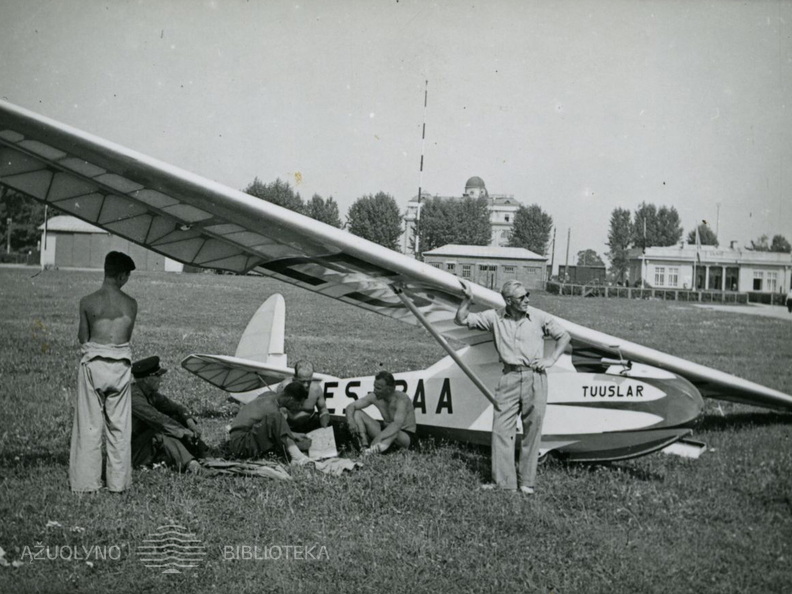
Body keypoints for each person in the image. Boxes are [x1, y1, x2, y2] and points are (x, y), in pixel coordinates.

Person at [455, 280, 571, 495]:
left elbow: (564, 336)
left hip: (535, 377)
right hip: (508, 376)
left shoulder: (538, 317)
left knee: (532, 429)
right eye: (521, 297)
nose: (527, 300)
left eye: (527, 295)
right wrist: (466, 301)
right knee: (501, 430)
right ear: (508, 301)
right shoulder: (494, 317)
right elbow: (461, 319)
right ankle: (504, 484)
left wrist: (551, 359)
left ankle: (527, 483)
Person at [71, 251, 137, 493]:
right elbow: (126, 337)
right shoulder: (131, 304)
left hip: (94, 364)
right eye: (127, 276)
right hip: (119, 365)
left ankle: (86, 484)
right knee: (119, 427)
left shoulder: (87, 302)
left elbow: (83, 337)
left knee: (89, 425)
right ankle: (118, 484)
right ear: (121, 276)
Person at [131, 356, 206, 474]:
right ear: (146, 379)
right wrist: (184, 432)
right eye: (157, 375)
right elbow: (158, 420)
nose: (161, 380)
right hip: (131, 452)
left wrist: (189, 421)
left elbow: (178, 408)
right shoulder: (133, 397)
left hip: (146, 445)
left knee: (176, 419)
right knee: (160, 432)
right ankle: (189, 463)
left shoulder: (151, 394)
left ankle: (202, 454)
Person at [228, 381, 312, 465]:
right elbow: (280, 438)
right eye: (299, 404)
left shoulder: (268, 395)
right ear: (291, 399)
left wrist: (293, 434)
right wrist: (298, 445)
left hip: (237, 439)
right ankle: (298, 457)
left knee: (276, 418)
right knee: (276, 417)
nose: (299, 407)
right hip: (240, 445)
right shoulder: (272, 409)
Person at [345, 370, 418, 455]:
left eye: (378, 388)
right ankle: (364, 447)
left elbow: (397, 425)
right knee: (357, 413)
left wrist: (378, 437)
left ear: (390, 389)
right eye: (374, 387)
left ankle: (370, 452)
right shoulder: (375, 396)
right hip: (386, 434)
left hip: (405, 437)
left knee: (394, 433)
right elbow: (350, 406)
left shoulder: (401, 399)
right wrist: (350, 421)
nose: (374, 390)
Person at [274, 360, 331, 431]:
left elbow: (323, 410)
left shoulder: (316, 389)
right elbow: (276, 414)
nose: (306, 385)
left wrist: (324, 428)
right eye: (302, 381)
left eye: (309, 381)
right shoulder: (285, 388)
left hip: (309, 424)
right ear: (295, 378)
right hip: (289, 427)